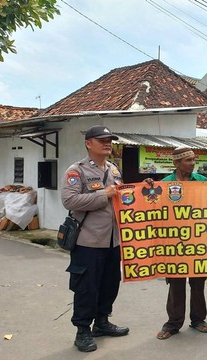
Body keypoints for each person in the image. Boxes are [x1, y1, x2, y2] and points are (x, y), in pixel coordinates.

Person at [61, 125, 129, 352]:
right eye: (102, 140)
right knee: (86, 288)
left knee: (110, 284)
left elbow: (123, 198)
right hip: (87, 242)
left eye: (110, 139)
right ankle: (82, 330)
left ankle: (102, 322)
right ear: (89, 143)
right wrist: (103, 195)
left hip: (113, 241)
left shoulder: (114, 170)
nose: (107, 143)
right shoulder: (77, 171)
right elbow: (69, 201)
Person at [153, 146, 207, 340]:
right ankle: (173, 323)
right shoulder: (165, 184)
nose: (193, 164)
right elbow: (156, 209)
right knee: (176, 283)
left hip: (198, 241)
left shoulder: (202, 181)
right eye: (188, 160)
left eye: (193, 160)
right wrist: (148, 187)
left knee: (198, 282)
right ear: (176, 163)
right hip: (174, 243)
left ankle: (198, 319)